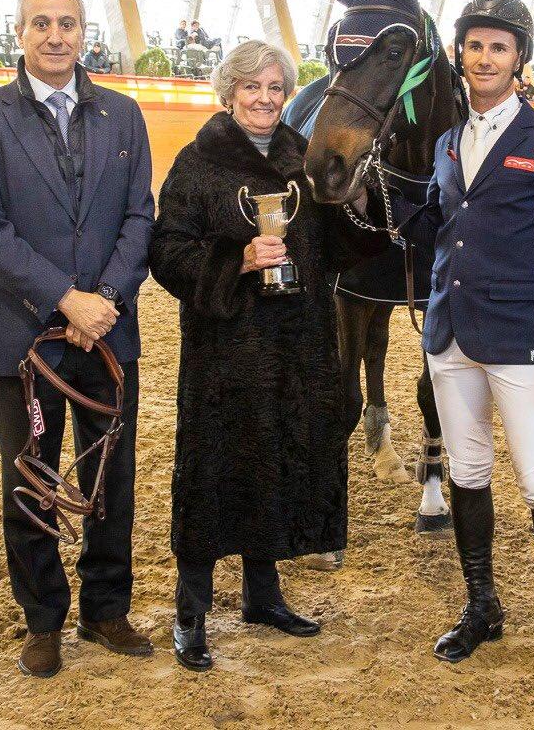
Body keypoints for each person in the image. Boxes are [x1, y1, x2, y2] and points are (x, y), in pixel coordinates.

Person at [148, 40, 384, 672]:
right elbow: (166, 252)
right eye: (251, 88)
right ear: (229, 94)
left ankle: (263, 596)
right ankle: (191, 610)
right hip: (226, 352)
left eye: (275, 88)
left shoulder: (303, 165)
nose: (264, 99)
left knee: (276, 464)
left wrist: (361, 206)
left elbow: (341, 249)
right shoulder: (196, 165)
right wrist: (238, 261)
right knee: (213, 471)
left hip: (297, 347)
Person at [393, 0, 534, 686]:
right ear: (459, 54)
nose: (484, 58)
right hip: (450, 337)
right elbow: (440, 225)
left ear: (519, 60)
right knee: (467, 472)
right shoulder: (447, 143)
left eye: (499, 47)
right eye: (475, 45)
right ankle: (482, 607)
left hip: (523, 341)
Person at [0, 0, 155, 678]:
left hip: (108, 333)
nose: (56, 35)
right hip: (21, 339)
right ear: (19, 33)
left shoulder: (124, 117)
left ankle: (105, 609)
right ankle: (42, 620)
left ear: (84, 34)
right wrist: (66, 299)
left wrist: (103, 301)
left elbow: (137, 220)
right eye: (42, 23)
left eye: (67, 23)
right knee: (31, 482)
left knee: (111, 479)